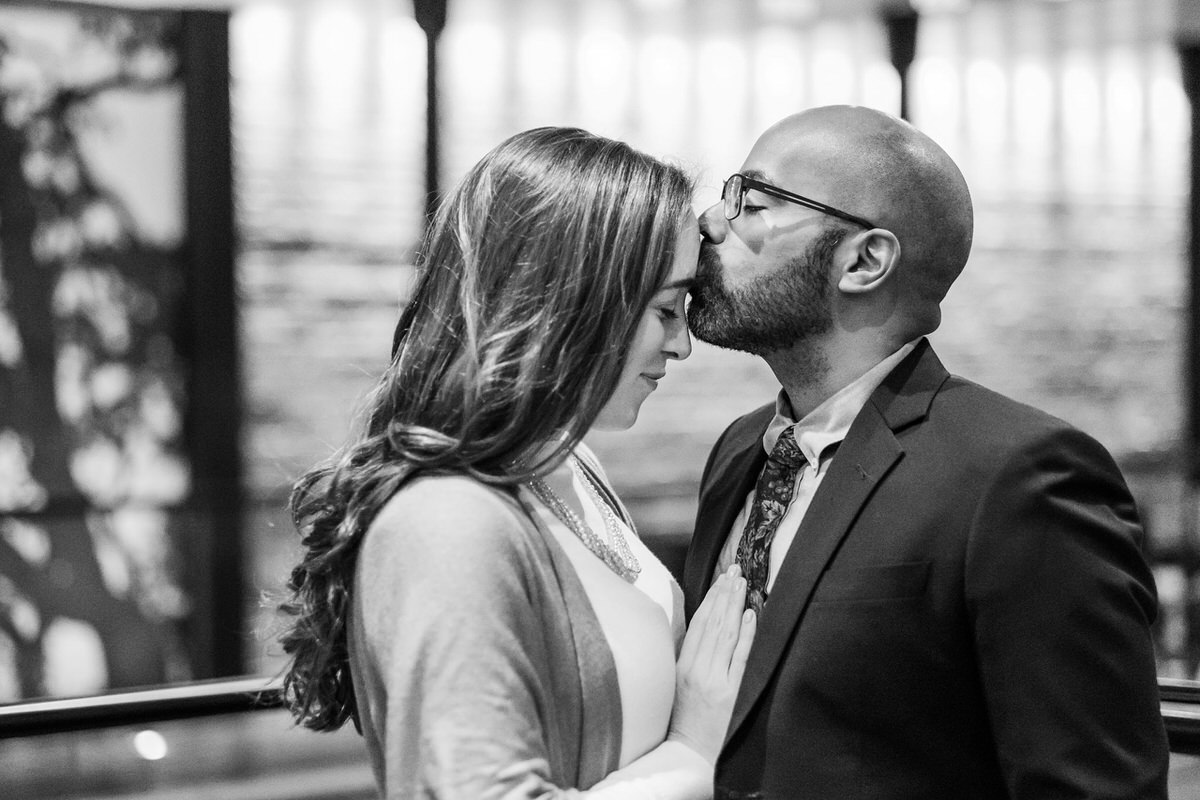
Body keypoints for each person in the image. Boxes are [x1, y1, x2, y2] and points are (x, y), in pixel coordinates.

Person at [683, 105, 1169, 799]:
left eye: (752, 201)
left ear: (865, 260)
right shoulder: (739, 451)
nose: (712, 222)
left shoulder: (1020, 476)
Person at [276, 126, 757, 799]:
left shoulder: (572, 465)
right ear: (576, 302)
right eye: (666, 309)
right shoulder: (446, 522)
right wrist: (693, 751)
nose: (681, 345)